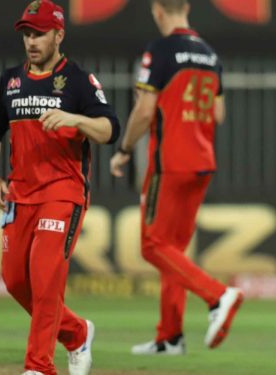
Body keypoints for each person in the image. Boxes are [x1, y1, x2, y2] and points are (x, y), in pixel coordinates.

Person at [0, 1, 121, 374]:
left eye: (39, 33)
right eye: (27, 34)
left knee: (45, 279)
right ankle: (76, 333)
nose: (31, 41)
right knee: (14, 281)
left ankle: (39, 366)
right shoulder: (9, 81)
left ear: (59, 34)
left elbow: (109, 129)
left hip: (63, 192)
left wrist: (75, 117)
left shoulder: (77, 80)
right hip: (19, 196)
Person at [109, 0, 243, 355]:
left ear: (158, 11)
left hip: (170, 162)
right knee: (173, 250)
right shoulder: (210, 55)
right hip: (201, 162)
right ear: (186, 8)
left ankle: (218, 295)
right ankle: (170, 337)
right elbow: (218, 112)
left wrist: (123, 149)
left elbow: (144, 110)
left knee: (153, 246)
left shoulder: (160, 50)